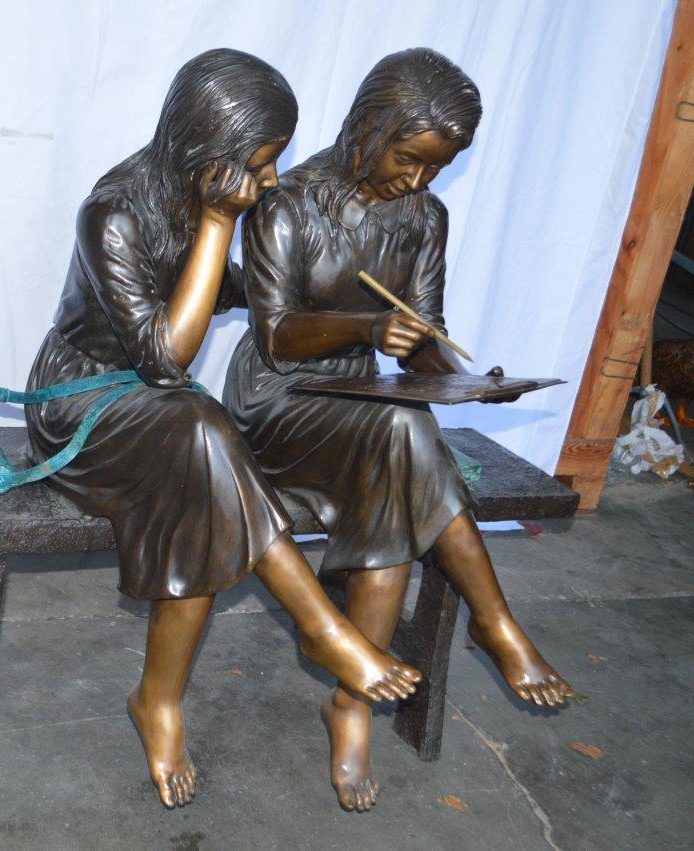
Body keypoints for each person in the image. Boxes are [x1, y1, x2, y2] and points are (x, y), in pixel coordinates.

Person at [25, 48, 422, 810]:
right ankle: (322, 628)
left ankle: (159, 700)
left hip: (157, 415)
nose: (271, 179)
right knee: (203, 423)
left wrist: (317, 302)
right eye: (262, 162)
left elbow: (234, 294)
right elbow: (167, 360)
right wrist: (218, 221)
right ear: (211, 149)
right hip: (78, 401)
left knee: (204, 473)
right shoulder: (112, 211)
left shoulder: (193, 201)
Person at [223, 48, 573, 813]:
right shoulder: (287, 204)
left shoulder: (423, 217)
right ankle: (493, 623)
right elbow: (277, 333)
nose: (417, 181)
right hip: (277, 399)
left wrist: (463, 374)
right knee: (403, 436)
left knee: (402, 436)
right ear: (369, 128)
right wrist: (367, 325)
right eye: (408, 159)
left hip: (365, 408)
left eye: (435, 169)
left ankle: (355, 698)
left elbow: (422, 338)